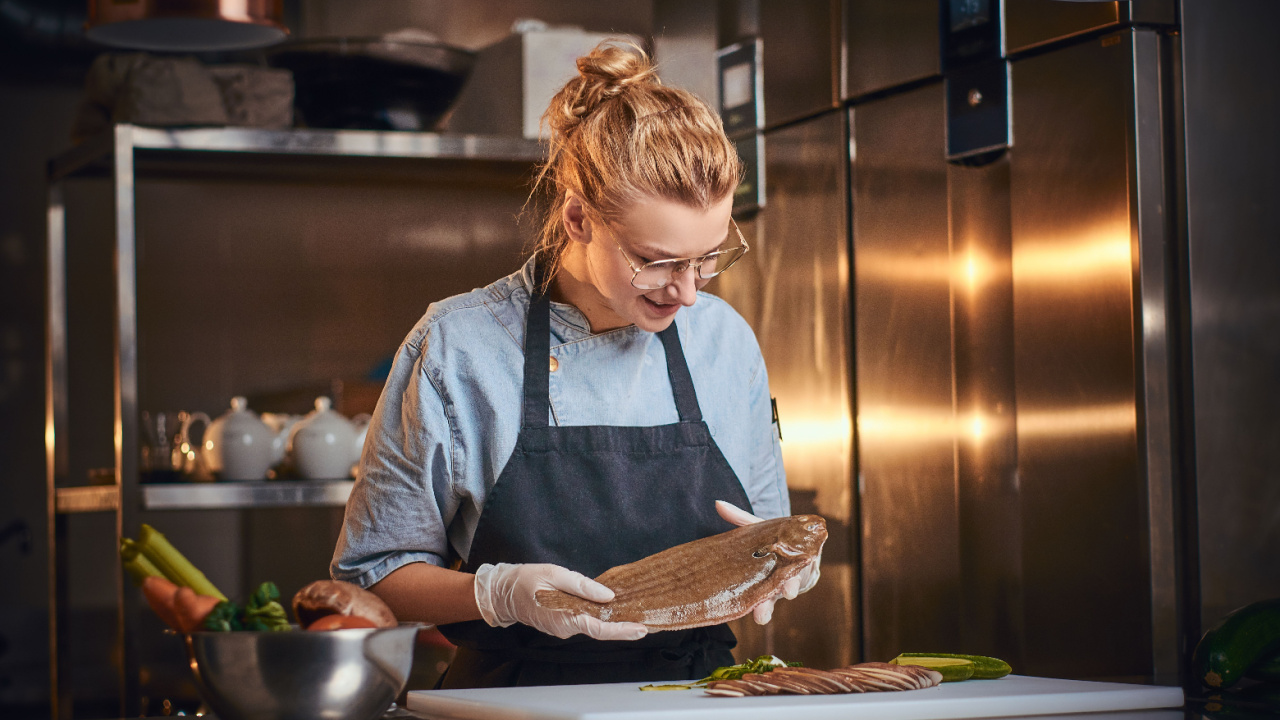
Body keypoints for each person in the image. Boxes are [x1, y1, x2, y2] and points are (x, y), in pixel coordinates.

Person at [331, 41, 821, 688]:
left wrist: (785, 559)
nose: (689, 292)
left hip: (703, 699)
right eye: (657, 260)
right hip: (514, 700)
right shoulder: (458, 350)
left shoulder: (724, 343)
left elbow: (768, 527)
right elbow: (372, 578)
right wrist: (497, 595)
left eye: (708, 257)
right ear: (577, 218)